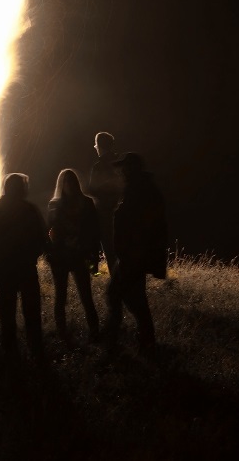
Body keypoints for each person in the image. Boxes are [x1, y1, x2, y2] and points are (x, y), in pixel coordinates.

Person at [104, 153, 168, 353]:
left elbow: (146, 225)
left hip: (134, 255)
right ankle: (143, 340)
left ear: (130, 169)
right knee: (130, 296)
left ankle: (116, 340)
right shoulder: (139, 188)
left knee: (118, 295)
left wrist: (137, 253)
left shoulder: (139, 191)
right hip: (131, 255)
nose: (121, 172)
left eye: (124, 168)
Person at [0, 173, 47, 359]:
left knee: (6, 307)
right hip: (26, 266)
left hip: (5, 267)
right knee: (31, 308)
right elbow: (41, 237)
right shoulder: (29, 210)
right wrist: (35, 253)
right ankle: (35, 347)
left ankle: (10, 348)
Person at [44, 169, 102, 345]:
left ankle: (95, 333)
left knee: (86, 296)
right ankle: (63, 334)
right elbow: (49, 230)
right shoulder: (55, 205)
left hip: (80, 255)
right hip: (61, 257)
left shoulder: (86, 203)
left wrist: (93, 257)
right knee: (60, 296)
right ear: (61, 185)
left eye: (71, 182)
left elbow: (95, 231)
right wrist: (50, 251)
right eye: (66, 182)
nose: (68, 185)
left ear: (76, 184)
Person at [88, 132, 123, 274]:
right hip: (122, 211)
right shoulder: (120, 163)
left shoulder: (99, 166)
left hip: (104, 214)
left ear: (99, 146)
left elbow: (92, 190)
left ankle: (97, 272)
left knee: (108, 248)